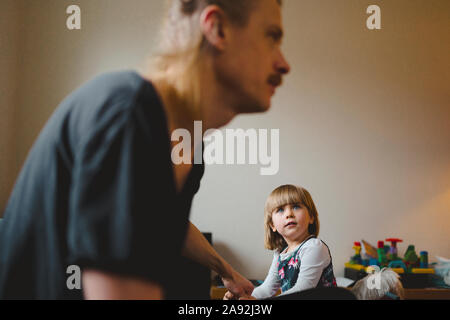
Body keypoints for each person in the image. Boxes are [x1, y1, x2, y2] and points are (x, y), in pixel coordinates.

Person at [0, 0, 290, 299]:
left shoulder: (187, 143)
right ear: (217, 29)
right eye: (271, 37)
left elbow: (166, 227)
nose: (284, 63)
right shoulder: (129, 113)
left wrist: (228, 272)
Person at [225, 185, 337, 300]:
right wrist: (244, 297)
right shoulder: (280, 253)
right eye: (280, 210)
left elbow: (303, 290)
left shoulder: (314, 247)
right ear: (272, 225)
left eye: (296, 207)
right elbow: (267, 289)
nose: (289, 214)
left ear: (311, 217)